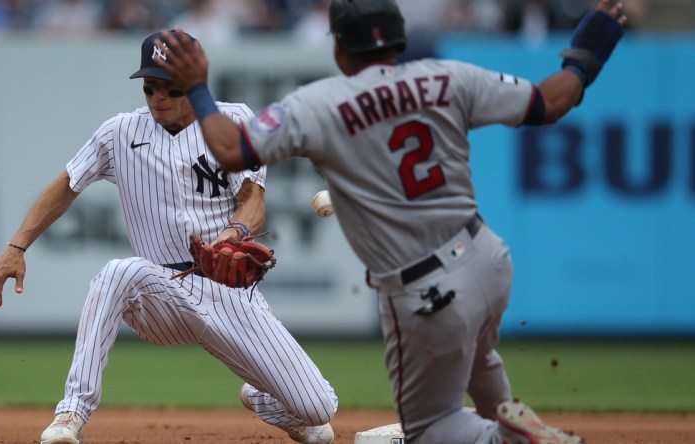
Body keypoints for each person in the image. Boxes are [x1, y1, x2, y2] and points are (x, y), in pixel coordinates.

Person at [152, 0, 627, 442]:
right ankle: (505, 418)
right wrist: (585, 55)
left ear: (338, 47)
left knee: (428, 427)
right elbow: (551, 102)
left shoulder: (319, 105)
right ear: (400, 40)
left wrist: (197, 86)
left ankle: (506, 436)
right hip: (488, 259)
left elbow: (231, 150)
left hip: (425, 290)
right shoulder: (449, 78)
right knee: (481, 365)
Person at [0, 30, 338, 444]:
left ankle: (263, 398)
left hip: (229, 295)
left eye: (172, 89)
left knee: (320, 411)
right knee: (118, 271)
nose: (159, 99)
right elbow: (66, 184)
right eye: (151, 88)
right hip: (161, 292)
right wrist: (16, 246)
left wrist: (234, 233)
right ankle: (70, 416)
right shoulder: (119, 132)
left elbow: (253, 199)